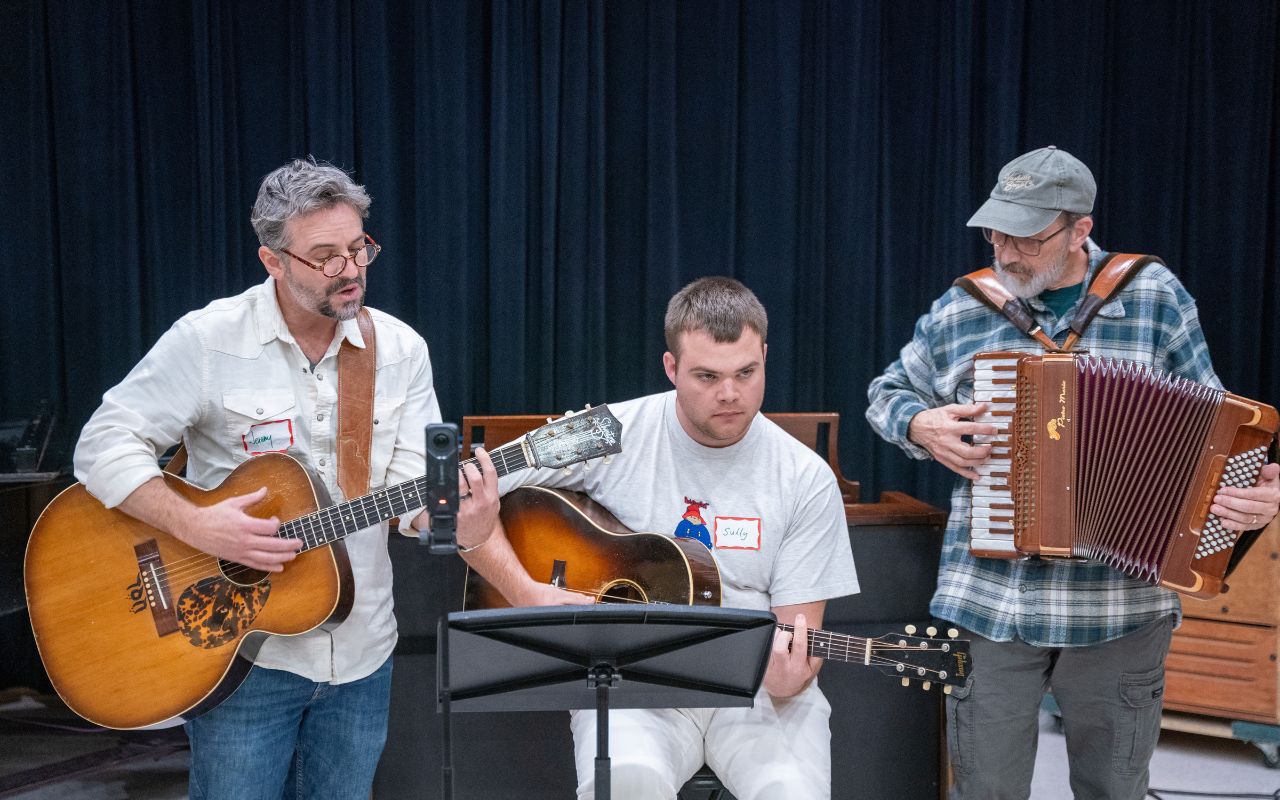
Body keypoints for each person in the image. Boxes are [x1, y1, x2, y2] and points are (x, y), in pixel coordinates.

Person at [73, 158, 499, 800]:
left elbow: (417, 486)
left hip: (362, 652)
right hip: (243, 655)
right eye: (324, 256)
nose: (350, 270)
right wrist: (197, 524)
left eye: (358, 248)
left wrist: (455, 520)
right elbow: (104, 442)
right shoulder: (209, 341)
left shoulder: (403, 350)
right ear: (273, 261)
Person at [866, 145, 1280, 800]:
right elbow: (887, 393)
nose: (1006, 251)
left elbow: (1221, 440)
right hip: (992, 600)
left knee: (1113, 790)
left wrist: (1251, 499)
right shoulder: (965, 307)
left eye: (1026, 236)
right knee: (986, 791)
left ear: (1079, 228)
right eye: (996, 230)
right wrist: (920, 426)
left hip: (1119, 606)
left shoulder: (1153, 298)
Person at [460, 276, 861, 800]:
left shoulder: (805, 477)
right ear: (671, 368)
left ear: (765, 355)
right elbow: (453, 490)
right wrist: (511, 577)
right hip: (632, 682)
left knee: (791, 791)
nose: (730, 394)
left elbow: (793, 653)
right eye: (706, 375)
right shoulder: (604, 431)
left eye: (747, 372)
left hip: (757, 689)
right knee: (627, 782)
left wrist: (791, 676)